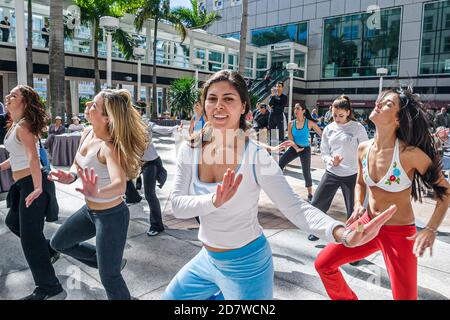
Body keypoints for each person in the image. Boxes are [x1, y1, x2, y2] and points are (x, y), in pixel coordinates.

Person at [162, 70, 396, 300]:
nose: (218, 105)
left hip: (247, 267)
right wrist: (213, 201)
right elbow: (178, 205)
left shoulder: (255, 157)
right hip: (207, 259)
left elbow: (295, 207)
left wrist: (341, 233)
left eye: (228, 99)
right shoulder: (190, 148)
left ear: (243, 106)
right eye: (212, 98)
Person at [314, 88, 450, 300]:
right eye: (380, 100)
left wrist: (431, 229)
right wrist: (359, 204)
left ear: (398, 119)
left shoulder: (410, 155)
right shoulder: (363, 148)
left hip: (400, 234)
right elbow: (359, 182)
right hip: (367, 224)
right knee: (323, 264)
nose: (378, 104)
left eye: (387, 104)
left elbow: (445, 191)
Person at [48, 89, 148, 300]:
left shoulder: (109, 147)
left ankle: (109, 267)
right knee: (58, 243)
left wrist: (98, 191)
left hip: (112, 216)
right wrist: (70, 176)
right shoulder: (87, 132)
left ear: (107, 118)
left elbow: (120, 185)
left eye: (94, 105)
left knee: (109, 278)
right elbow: (78, 162)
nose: (87, 106)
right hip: (90, 211)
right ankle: (110, 263)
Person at [1, 85, 62, 300]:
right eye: (10, 94)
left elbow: (33, 158)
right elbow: (18, 156)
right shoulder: (16, 125)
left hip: (33, 185)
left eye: (14, 95)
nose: (8, 97)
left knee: (30, 239)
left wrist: (37, 188)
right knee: (13, 223)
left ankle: (49, 287)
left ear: (24, 103)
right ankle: (50, 251)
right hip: (22, 185)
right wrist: (2, 166)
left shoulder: (24, 126)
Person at [308, 96, 368, 241]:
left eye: (341, 115)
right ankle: (317, 230)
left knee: (355, 211)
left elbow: (366, 150)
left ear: (348, 112)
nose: (337, 118)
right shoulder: (329, 129)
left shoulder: (357, 128)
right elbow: (324, 152)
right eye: (334, 115)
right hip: (332, 173)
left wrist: (366, 172)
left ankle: (357, 241)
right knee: (317, 203)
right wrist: (331, 161)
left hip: (353, 174)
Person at [141, 120, 182, 236]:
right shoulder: (123, 125)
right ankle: (133, 195)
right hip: (139, 163)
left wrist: (175, 128)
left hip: (151, 163)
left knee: (150, 194)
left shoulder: (143, 124)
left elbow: (158, 128)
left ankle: (157, 226)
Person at [278, 103, 323, 202]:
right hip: (294, 147)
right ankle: (280, 188)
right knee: (280, 163)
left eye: (298, 108)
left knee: (306, 172)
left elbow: (321, 134)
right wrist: (295, 147)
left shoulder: (309, 123)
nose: (295, 111)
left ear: (303, 111)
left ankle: (310, 194)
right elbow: (290, 138)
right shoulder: (291, 123)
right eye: (295, 109)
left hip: (305, 149)